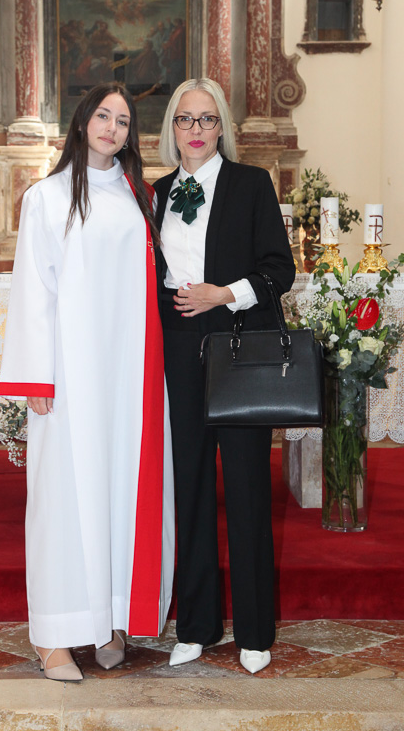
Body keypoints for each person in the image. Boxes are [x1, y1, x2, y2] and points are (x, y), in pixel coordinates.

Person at [0, 82, 174, 682]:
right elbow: (33, 290)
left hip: (129, 374)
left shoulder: (139, 196)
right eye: (103, 115)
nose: (112, 128)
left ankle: (110, 623)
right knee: (63, 500)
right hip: (70, 376)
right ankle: (53, 637)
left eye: (123, 121)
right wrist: (36, 379)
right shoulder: (46, 198)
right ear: (81, 122)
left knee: (119, 494)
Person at [153, 78, 295, 674]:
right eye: (185, 119)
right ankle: (197, 625)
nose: (196, 130)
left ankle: (255, 633)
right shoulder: (156, 193)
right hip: (178, 351)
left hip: (238, 348)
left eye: (207, 119)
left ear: (222, 127)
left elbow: (279, 270)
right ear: (172, 127)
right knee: (188, 487)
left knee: (245, 487)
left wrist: (222, 294)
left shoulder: (251, 184)